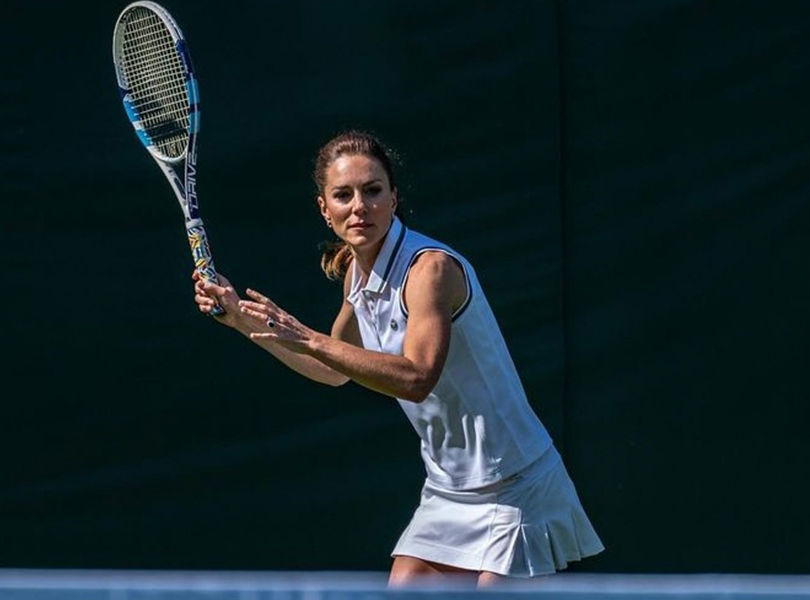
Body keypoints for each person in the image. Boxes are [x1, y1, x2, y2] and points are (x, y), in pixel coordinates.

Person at [193, 130, 604, 586]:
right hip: (448, 491)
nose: (359, 206)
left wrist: (308, 337)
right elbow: (334, 370)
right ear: (324, 210)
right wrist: (241, 322)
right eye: (343, 195)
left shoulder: (430, 270)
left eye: (372, 191)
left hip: (517, 487)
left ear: (393, 197)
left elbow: (416, 377)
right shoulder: (355, 272)